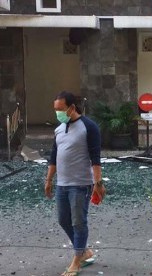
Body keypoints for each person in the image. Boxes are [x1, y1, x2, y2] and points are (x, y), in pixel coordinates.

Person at [44, 91, 105, 276]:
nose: (57, 113)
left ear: (71, 108)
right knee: (63, 220)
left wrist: (98, 183)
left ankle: (76, 261)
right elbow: (54, 156)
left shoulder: (89, 127)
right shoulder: (59, 128)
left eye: (60, 109)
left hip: (81, 184)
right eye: (55, 109)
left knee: (79, 222)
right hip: (62, 184)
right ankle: (84, 251)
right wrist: (48, 180)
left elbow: (95, 158)